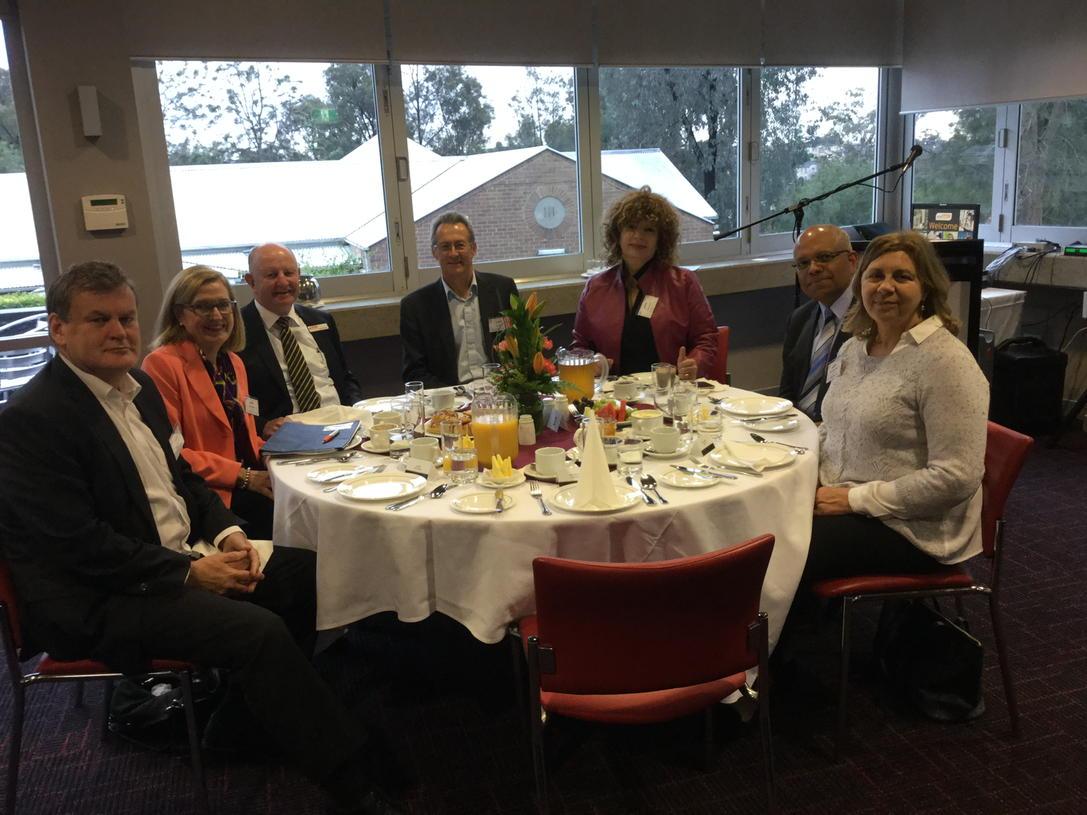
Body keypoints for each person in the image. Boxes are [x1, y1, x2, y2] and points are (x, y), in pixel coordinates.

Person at [0, 262, 402, 815]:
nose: (119, 331)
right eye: (99, 319)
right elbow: (77, 545)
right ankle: (352, 780)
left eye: (126, 318)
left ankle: (237, 725)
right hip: (100, 596)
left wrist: (229, 532)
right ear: (59, 329)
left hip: (174, 558)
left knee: (309, 572)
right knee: (256, 633)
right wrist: (188, 572)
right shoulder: (33, 418)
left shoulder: (133, 390)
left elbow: (183, 478)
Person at [801, 231, 989, 593]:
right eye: (876, 276)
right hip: (844, 498)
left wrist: (854, 500)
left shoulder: (945, 362)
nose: (885, 287)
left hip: (911, 527)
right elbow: (835, 427)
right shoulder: (855, 348)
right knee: (768, 523)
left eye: (901, 277)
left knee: (780, 548)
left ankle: (776, 646)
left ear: (926, 287)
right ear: (861, 285)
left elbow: (956, 477)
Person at [142, 265, 273, 539]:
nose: (216, 315)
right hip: (211, 494)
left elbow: (243, 437)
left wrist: (279, 453)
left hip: (251, 480)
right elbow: (171, 452)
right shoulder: (162, 364)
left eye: (223, 305)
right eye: (203, 307)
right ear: (180, 315)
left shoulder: (233, 362)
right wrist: (245, 477)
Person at [571, 187, 717, 379]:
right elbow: (579, 347)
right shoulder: (595, 287)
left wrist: (694, 363)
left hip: (669, 391)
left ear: (661, 239)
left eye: (649, 229)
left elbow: (706, 340)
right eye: (631, 227)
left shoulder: (684, 283)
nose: (638, 236)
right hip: (613, 397)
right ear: (617, 234)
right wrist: (591, 363)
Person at [239, 243, 363, 437]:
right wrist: (261, 425)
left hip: (344, 427)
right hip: (290, 436)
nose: (282, 282)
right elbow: (230, 403)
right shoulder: (238, 330)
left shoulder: (321, 321)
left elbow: (346, 378)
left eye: (288, 273)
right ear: (251, 281)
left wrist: (357, 410)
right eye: (271, 275)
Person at [399, 212, 519, 387]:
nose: (454, 253)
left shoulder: (503, 289)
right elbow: (414, 373)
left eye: (460, 245)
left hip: (500, 392)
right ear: (435, 253)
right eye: (446, 247)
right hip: (450, 399)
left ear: (473, 248)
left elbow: (520, 348)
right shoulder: (416, 306)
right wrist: (453, 396)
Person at [780, 224, 857, 420]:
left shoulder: (873, 319)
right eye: (803, 263)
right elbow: (787, 394)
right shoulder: (799, 319)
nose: (813, 269)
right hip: (797, 433)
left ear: (852, 261)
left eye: (824, 258)